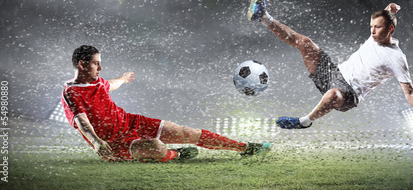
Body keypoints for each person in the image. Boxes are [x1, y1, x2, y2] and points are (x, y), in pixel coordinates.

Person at [246, 0, 413, 138]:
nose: (372, 31)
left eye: (377, 28)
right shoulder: (376, 34)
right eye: (371, 26)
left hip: (350, 95)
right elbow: (386, 15)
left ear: (390, 30)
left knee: (333, 94)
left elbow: (409, 92)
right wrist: (391, 9)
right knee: (305, 43)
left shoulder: (397, 58)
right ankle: (263, 16)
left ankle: (304, 122)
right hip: (335, 74)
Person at [62, 45, 272, 162]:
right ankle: (177, 154)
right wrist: (97, 142)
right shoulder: (71, 92)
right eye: (96, 63)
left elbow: (111, 84)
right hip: (113, 144)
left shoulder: (97, 82)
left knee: (185, 131)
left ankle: (245, 148)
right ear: (82, 64)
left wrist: (123, 79)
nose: (100, 67)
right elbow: (82, 122)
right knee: (155, 147)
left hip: (131, 123)